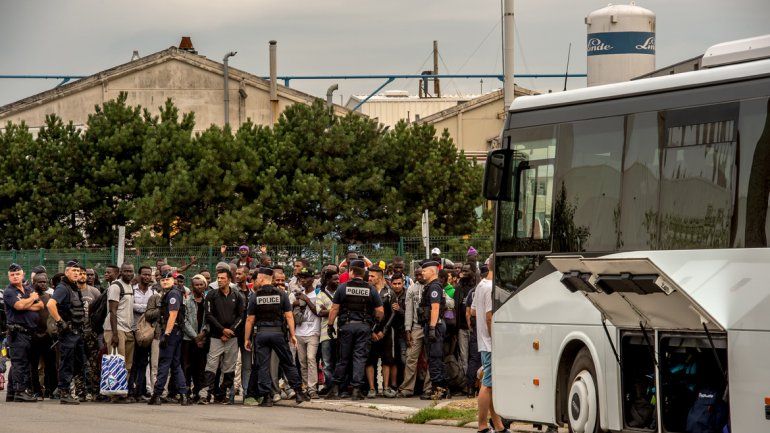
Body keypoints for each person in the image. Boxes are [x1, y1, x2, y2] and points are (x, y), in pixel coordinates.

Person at [243, 267, 308, 406]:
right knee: (287, 362)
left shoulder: (255, 296)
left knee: (263, 366)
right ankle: (299, 393)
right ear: (271, 279)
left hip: (261, 333)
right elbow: (289, 316)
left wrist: (246, 338)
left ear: (261, 279)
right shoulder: (281, 294)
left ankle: (267, 397)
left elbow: (250, 319)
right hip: (278, 333)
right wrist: (292, 334)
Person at [324, 260, 384, 401]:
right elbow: (380, 311)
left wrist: (330, 325)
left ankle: (335, 389)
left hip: (346, 327)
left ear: (351, 271)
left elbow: (334, 309)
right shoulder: (371, 289)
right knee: (359, 358)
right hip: (364, 328)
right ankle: (357, 390)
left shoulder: (342, 288)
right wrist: (374, 325)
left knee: (343, 359)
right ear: (364, 273)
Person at [473, 255, 511, 433]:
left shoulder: (481, 285)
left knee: (491, 385)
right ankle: (482, 426)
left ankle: (498, 426)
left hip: (483, 341)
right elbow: (489, 317)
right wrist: (496, 340)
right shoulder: (490, 288)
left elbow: (473, 311)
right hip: (490, 344)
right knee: (487, 385)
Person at [46, 260, 88, 404]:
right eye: (73, 271)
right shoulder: (63, 288)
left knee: (79, 363)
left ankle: (76, 391)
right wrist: (60, 322)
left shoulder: (74, 287)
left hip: (77, 332)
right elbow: (50, 304)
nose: (76, 273)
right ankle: (64, 393)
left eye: (78, 271)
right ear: (67, 272)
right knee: (67, 363)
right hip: (68, 332)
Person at [203, 267, 244, 404]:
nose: (220, 281)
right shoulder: (211, 295)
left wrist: (230, 331)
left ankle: (222, 394)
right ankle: (206, 394)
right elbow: (209, 316)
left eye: (223, 278)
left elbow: (241, 316)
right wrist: (222, 330)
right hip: (216, 337)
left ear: (229, 280)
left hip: (232, 338)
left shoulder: (238, 295)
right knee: (211, 365)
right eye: (218, 278)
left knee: (229, 367)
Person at [4, 263, 44, 402]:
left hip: (28, 332)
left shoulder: (27, 288)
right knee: (19, 363)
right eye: (12, 275)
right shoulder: (9, 291)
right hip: (17, 332)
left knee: (20, 362)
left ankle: (11, 392)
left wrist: (26, 304)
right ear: (8, 277)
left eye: (17, 274)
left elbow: (40, 305)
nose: (15, 277)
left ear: (22, 275)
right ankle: (20, 391)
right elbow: (18, 306)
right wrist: (31, 299)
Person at [149, 270, 189, 406]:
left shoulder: (173, 294)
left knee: (164, 363)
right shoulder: (172, 293)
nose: (165, 282)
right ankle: (183, 394)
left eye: (168, 280)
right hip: (176, 332)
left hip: (171, 332)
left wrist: (166, 334)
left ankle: (157, 394)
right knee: (175, 364)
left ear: (173, 281)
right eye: (163, 280)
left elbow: (173, 315)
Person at [103, 263, 135, 402]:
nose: (128, 273)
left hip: (128, 329)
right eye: (126, 271)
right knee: (117, 362)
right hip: (115, 329)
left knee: (127, 364)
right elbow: (113, 311)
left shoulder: (130, 286)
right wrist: (115, 334)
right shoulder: (116, 286)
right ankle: (114, 394)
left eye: (131, 271)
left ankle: (122, 391)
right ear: (121, 272)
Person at [419, 260, 450, 400]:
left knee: (435, 358)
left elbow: (435, 308)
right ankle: (442, 388)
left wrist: (432, 327)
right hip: (434, 325)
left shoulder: (434, 287)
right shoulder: (432, 286)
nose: (422, 272)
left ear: (432, 271)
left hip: (435, 325)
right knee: (434, 358)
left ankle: (438, 390)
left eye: (424, 270)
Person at [366, 265, 397, 398]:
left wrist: (383, 331)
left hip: (386, 332)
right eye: (369, 275)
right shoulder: (366, 291)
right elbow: (365, 313)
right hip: (370, 332)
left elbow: (393, 313)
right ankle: (372, 388)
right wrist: (371, 331)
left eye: (373, 276)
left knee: (387, 360)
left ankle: (386, 387)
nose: (370, 278)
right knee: (370, 360)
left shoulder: (389, 293)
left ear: (380, 276)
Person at [398, 267, 431, 397]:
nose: (419, 277)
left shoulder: (433, 286)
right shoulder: (412, 289)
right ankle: (407, 388)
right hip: (416, 327)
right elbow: (409, 311)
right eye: (416, 275)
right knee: (411, 358)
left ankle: (428, 388)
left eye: (420, 274)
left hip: (430, 326)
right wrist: (408, 329)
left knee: (430, 359)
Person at [74, 264, 102, 401]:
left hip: (91, 333)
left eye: (84, 273)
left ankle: (95, 391)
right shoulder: (71, 291)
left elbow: (100, 312)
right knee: (78, 363)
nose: (83, 276)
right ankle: (81, 392)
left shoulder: (94, 292)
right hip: (76, 332)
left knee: (93, 363)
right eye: (80, 273)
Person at [128, 266, 156, 402]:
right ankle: (130, 391)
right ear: (139, 275)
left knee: (144, 362)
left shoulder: (153, 291)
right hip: (133, 329)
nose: (146, 277)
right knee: (132, 362)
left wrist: (146, 310)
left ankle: (140, 391)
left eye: (149, 275)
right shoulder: (132, 290)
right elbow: (130, 306)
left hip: (148, 332)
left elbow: (156, 309)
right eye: (144, 274)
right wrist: (147, 310)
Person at [293, 266, 321, 398]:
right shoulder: (298, 294)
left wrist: (306, 300)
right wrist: (296, 303)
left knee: (311, 358)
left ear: (312, 279)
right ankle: (305, 386)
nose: (303, 280)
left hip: (313, 332)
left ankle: (312, 388)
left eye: (305, 277)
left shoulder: (318, 293)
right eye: (301, 278)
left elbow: (318, 312)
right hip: (299, 332)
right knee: (302, 361)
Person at [183, 274, 209, 403]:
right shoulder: (187, 301)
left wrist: (203, 334)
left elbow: (209, 319)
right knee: (187, 366)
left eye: (201, 284)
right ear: (192, 286)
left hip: (203, 339)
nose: (199, 287)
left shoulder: (208, 301)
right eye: (196, 285)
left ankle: (199, 392)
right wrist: (195, 337)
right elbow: (185, 320)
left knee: (201, 366)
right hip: (189, 339)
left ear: (205, 286)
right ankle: (186, 392)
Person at [316, 268, 338, 392]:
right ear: (328, 280)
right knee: (327, 363)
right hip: (326, 334)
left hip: (340, 332)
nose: (338, 281)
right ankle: (329, 386)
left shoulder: (340, 292)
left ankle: (338, 386)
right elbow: (320, 312)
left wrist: (328, 311)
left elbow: (325, 311)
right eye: (335, 279)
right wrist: (336, 310)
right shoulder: (321, 294)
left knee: (339, 361)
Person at [234, 265, 252, 396]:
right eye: (236, 273)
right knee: (232, 364)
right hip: (234, 332)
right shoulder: (232, 291)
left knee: (247, 365)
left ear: (247, 275)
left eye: (240, 274)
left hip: (247, 333)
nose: (237, 276)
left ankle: (246, 391)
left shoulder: (252, 294)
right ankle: (231, 392)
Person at [388, 273, 407, 395]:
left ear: (403, 283)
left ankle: (405, 384)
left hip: (404, 331)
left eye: (399, 283)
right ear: (391, 284)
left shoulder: (408, 295)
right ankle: (393, 384)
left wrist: (400, 310)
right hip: (390, 330)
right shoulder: (388, 294)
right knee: (392, 359)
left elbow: (410, 314)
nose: (397, 286)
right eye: (394, 283)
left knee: (404, 359)